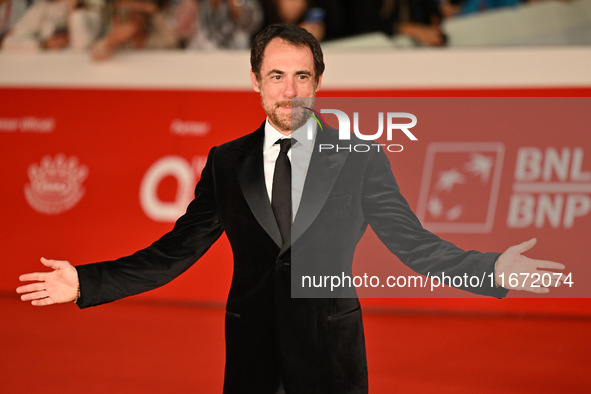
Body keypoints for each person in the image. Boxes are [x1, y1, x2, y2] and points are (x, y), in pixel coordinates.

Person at [17, 23, 565, 394]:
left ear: (318, 83)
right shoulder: (226, 162)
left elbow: (413, 244)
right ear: (255, 82)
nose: (289, 90)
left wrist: (493, 268)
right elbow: (174, 252)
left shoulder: (359, 159)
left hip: (331, 356)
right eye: (276, 76)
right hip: (251, 355)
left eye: (302, 76)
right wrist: (88, 282)